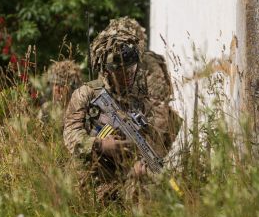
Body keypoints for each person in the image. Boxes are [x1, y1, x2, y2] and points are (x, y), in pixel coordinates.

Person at [63, 17, 181, 205]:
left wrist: (139, 167)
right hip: (92, 174)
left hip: (124, 176)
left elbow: (150, 141)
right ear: (106, 70)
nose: (127, 74)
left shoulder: (140, 99)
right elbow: (70, 134)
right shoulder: (87, 94)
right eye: (119, 70)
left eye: (131, 68)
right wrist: (101, 145)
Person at [38, 60, 82, 127]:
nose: (57, 89)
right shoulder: (46, 109)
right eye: (55, 84)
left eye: (62, 86)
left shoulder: (79, 111)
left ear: (72, 89)